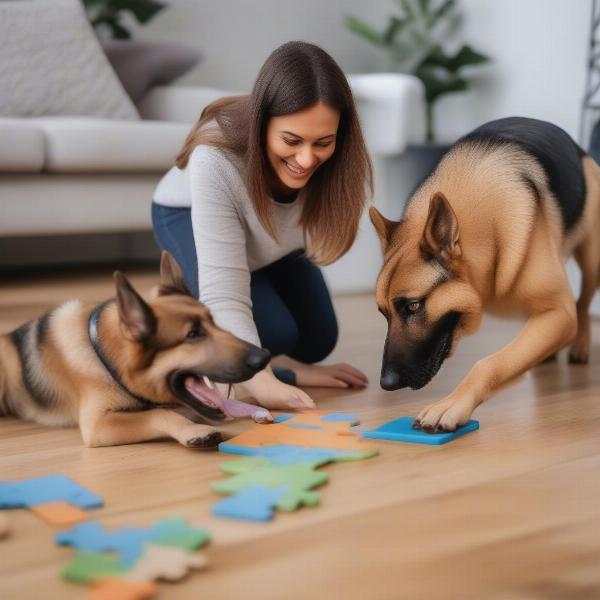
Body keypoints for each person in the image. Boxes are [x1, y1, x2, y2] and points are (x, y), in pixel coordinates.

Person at [152, 40, 373, 410]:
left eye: (323, 142)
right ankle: (198, 303)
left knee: (318, 340)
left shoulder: (339, 161)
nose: (306, 158)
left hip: (271, 234)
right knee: (273, 334)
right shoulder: (216, 156)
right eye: (291, 140)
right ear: (262, 124)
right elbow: (226, 291)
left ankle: (271, 359)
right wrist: (263, 381)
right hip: (185, 213)